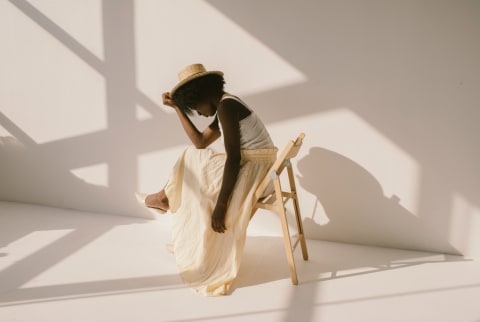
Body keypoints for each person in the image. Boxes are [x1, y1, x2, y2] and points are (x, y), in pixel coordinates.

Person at [144, 63, 276, 296]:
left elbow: (233, 159)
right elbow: (200, 141)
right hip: (256, 164)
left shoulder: (227, 107)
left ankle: (164, 196)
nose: (200, 113)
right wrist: (178, 109)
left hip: (252, 168)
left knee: (191, 159)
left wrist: (221, 206)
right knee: (193, 155)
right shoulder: (227, 103)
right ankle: (165, 196)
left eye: (194, 107)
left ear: (202, 94)